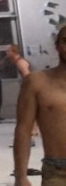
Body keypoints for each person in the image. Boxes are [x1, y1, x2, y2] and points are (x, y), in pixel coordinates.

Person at [15, 25, 66, 186]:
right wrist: (20, 176)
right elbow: (23, 129)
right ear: (57, 46)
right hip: (57, 172)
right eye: (65, 41)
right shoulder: (36, 82)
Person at [8, 44, 39, 146]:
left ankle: (30, 134)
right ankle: (34, 131)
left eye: (8, 51)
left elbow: (27, 77)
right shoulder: (19, 61)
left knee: (26, 111)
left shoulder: (20, 62)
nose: (6, 53)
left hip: (30, 89)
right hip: (32, 88)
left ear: (14, 52)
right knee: (32, 110)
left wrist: (27, 91)